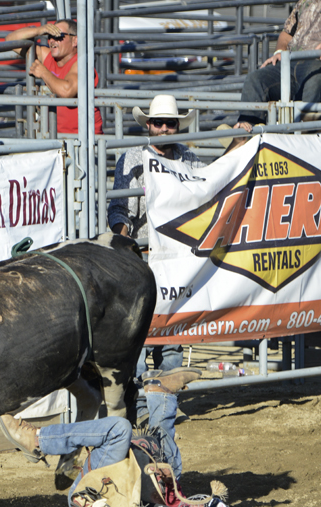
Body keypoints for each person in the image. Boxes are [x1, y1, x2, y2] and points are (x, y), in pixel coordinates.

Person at [0, 368, 239, 507]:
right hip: (119, 489)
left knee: (119, 431)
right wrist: (165, 477)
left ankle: (38, 440)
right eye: (202, 505)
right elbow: (172, 494)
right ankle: (161, 395)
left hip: (94, 502)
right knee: (172, 465)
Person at [108, 95, 205, 402]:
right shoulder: (133, 159)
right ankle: (141, 403)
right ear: (148, 125)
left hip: (177, 259)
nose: (164, 128)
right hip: (144, 258)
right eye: (159, 122)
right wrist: (124, 245)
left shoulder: (187, 158)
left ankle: (163, 402)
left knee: (170, 336)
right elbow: (119, 209)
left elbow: (212, 187)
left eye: (170, 123)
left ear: (177, 126)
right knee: (139, 334)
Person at [228, 0, 321, 151]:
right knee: (256, 79)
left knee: (313, 86)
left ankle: (296, 147)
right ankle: (245, 137)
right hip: (291, 63)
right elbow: (286, 34)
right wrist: (279, 52)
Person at [4, 18, 102, 135]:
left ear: (75, 41)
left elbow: (67, 91)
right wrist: (39, 30)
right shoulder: (48, 56)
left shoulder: (82, 63)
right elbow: (10, 40)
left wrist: (44, 73)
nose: (52, 41)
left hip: (84, 141)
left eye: (58, 36)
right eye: (50, 36)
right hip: (55, 137)